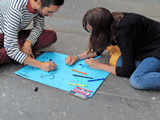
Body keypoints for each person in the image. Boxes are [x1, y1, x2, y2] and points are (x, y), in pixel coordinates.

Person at [65, 7, 160, 90]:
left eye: (92, 30)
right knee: (119, 62)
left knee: (137, 80)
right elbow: (98, 50)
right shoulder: (109, 21)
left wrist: (99, 66)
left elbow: (127, 71)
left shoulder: (124, 32)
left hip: (156, 50)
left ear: (100, 29)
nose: (91, 33)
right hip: (145, 47)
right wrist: (76, 57)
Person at [0, 0, 64, 71]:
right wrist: (40, 65)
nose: (50, 15)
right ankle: (18, 52)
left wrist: (28, 43)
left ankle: (19, 52)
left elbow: (39, 26)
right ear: (39, 2)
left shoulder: (38, 5)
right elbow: (11, 50)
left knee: (51, 35)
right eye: (49, 11)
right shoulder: (15, 10)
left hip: (13, 31)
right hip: (2, 34)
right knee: (10, 50)